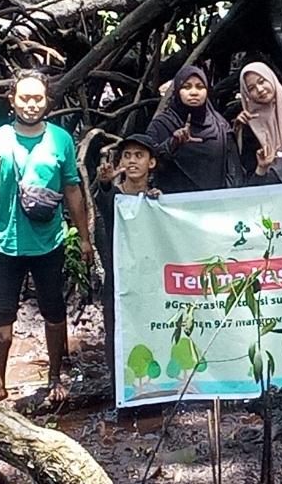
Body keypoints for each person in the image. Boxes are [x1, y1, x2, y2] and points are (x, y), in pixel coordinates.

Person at [0, 72, 92, 402]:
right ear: (12, 100)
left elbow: (72, 191)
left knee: (54, 309)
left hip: (48, 242)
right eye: (25, 98)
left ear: (47, 101)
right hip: (5, 242)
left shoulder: (60, 140)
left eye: (38, 98)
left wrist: (84, 238)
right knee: (2, 313)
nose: (31, 104)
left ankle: (55, 378)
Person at [94, 134, 160, 385]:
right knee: (117, 329)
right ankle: (120, 387)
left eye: (139, 156)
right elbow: (105, 201)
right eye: (127, 156)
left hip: (151, 279)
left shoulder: (157, 197)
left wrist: (159, 203)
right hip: (119, 277)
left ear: (151, 163)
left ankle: (155, 384)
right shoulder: (115, 197)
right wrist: (105, 184)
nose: (132, 161)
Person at [146, 65, 243, 193]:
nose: (194, 92)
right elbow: (146, 164)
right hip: (172, 206)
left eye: (200, 87)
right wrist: (172, 143)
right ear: (177, 91)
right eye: (186, 87)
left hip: (215, 205)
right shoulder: (161, 125)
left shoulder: (221, 127)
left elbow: (234, 172)